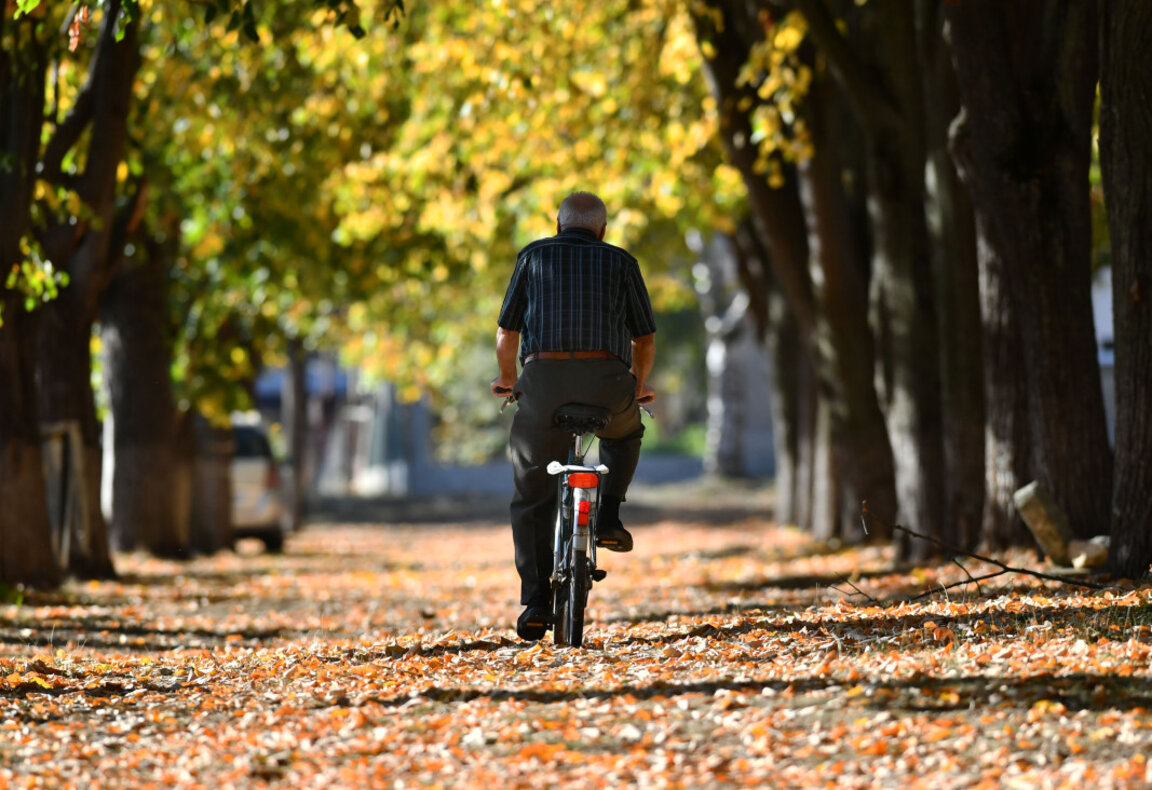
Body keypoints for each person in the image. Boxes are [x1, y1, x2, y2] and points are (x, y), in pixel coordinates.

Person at [491, 191, 657, 641]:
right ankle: (609, 517)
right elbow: (644, 338)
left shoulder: (533, 256)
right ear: (602, 230)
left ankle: (535, 603)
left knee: (531, 494)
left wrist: (507, 378)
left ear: (558, 224)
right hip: (608, 382)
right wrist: (640, 385)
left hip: (543, 384)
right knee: (626, 434)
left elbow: (508, 330)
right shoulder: (622, 261)